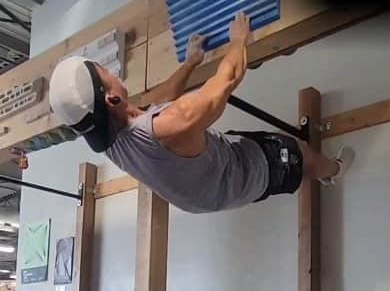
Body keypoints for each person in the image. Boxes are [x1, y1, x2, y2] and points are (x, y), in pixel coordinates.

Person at [48, 13, 354, 214]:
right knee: (294, 151)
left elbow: (153, 105)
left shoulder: (106, 132)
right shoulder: (173, 124)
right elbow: (226, 80)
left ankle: (309, 166)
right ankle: (334, 172)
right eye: (107, 73)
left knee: (252, 141)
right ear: (112, 97)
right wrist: (238, 40)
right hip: (239, 178)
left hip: (205, 181)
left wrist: (191, 62)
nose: (114, 73)